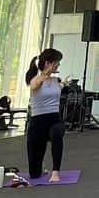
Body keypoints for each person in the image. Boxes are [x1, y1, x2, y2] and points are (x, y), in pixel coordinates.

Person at [25, 49, 65, 183]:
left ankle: (55, 172)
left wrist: (64, 83)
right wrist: (44, 73)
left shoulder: (55, 81)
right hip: (37, 124)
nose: (58, 66)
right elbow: (35, 86)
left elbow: (60, 86)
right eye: (56, 63)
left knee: (57, 133)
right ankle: (39, 169)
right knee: (34, 174)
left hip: (55, 120)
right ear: (48, 63)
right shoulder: (35, 80)